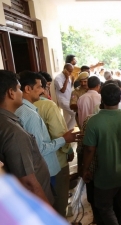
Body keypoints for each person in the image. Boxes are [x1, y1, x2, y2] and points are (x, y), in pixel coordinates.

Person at [15, 71, 77, 202]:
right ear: (27, 89)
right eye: (40, 87)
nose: (43, 90)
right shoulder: (31, 113)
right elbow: (41, 148)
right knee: (55, 202)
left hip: (32, 170)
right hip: (47, 167)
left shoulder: (18, 109)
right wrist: (65, 142)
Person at [82, 83, 121, 225]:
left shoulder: (94, 121)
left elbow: (89, 149)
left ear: (102, 99)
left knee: (104, 208)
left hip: (104, 177)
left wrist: (85, 169)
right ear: (119, 99)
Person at [0, 70, 52, 204]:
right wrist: (48, 215)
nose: (21, 93)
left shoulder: (7, 121)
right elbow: (28, 183)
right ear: (11, 93)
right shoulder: (12, 131)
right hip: (33, 203)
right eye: (18, 89)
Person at [34, 74, 74, 217]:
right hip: (56, 160)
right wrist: (68, 150)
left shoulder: (18, 109)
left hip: (35, 167)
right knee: (59, 202)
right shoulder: (47, 105)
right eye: (43, 87)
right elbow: (59, 133)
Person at [54, 63, 76, 130]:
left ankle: (65, 132)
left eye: (71, 71)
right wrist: (66, 79)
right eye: (69, 71)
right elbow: (63, 90)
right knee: (75, 114)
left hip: (68, 100)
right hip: (63, 100)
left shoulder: (68, 77)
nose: (70, 73)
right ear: (64, 70)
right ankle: (68, 131)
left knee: (67, 118)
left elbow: (69, 89)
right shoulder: (58, 78)